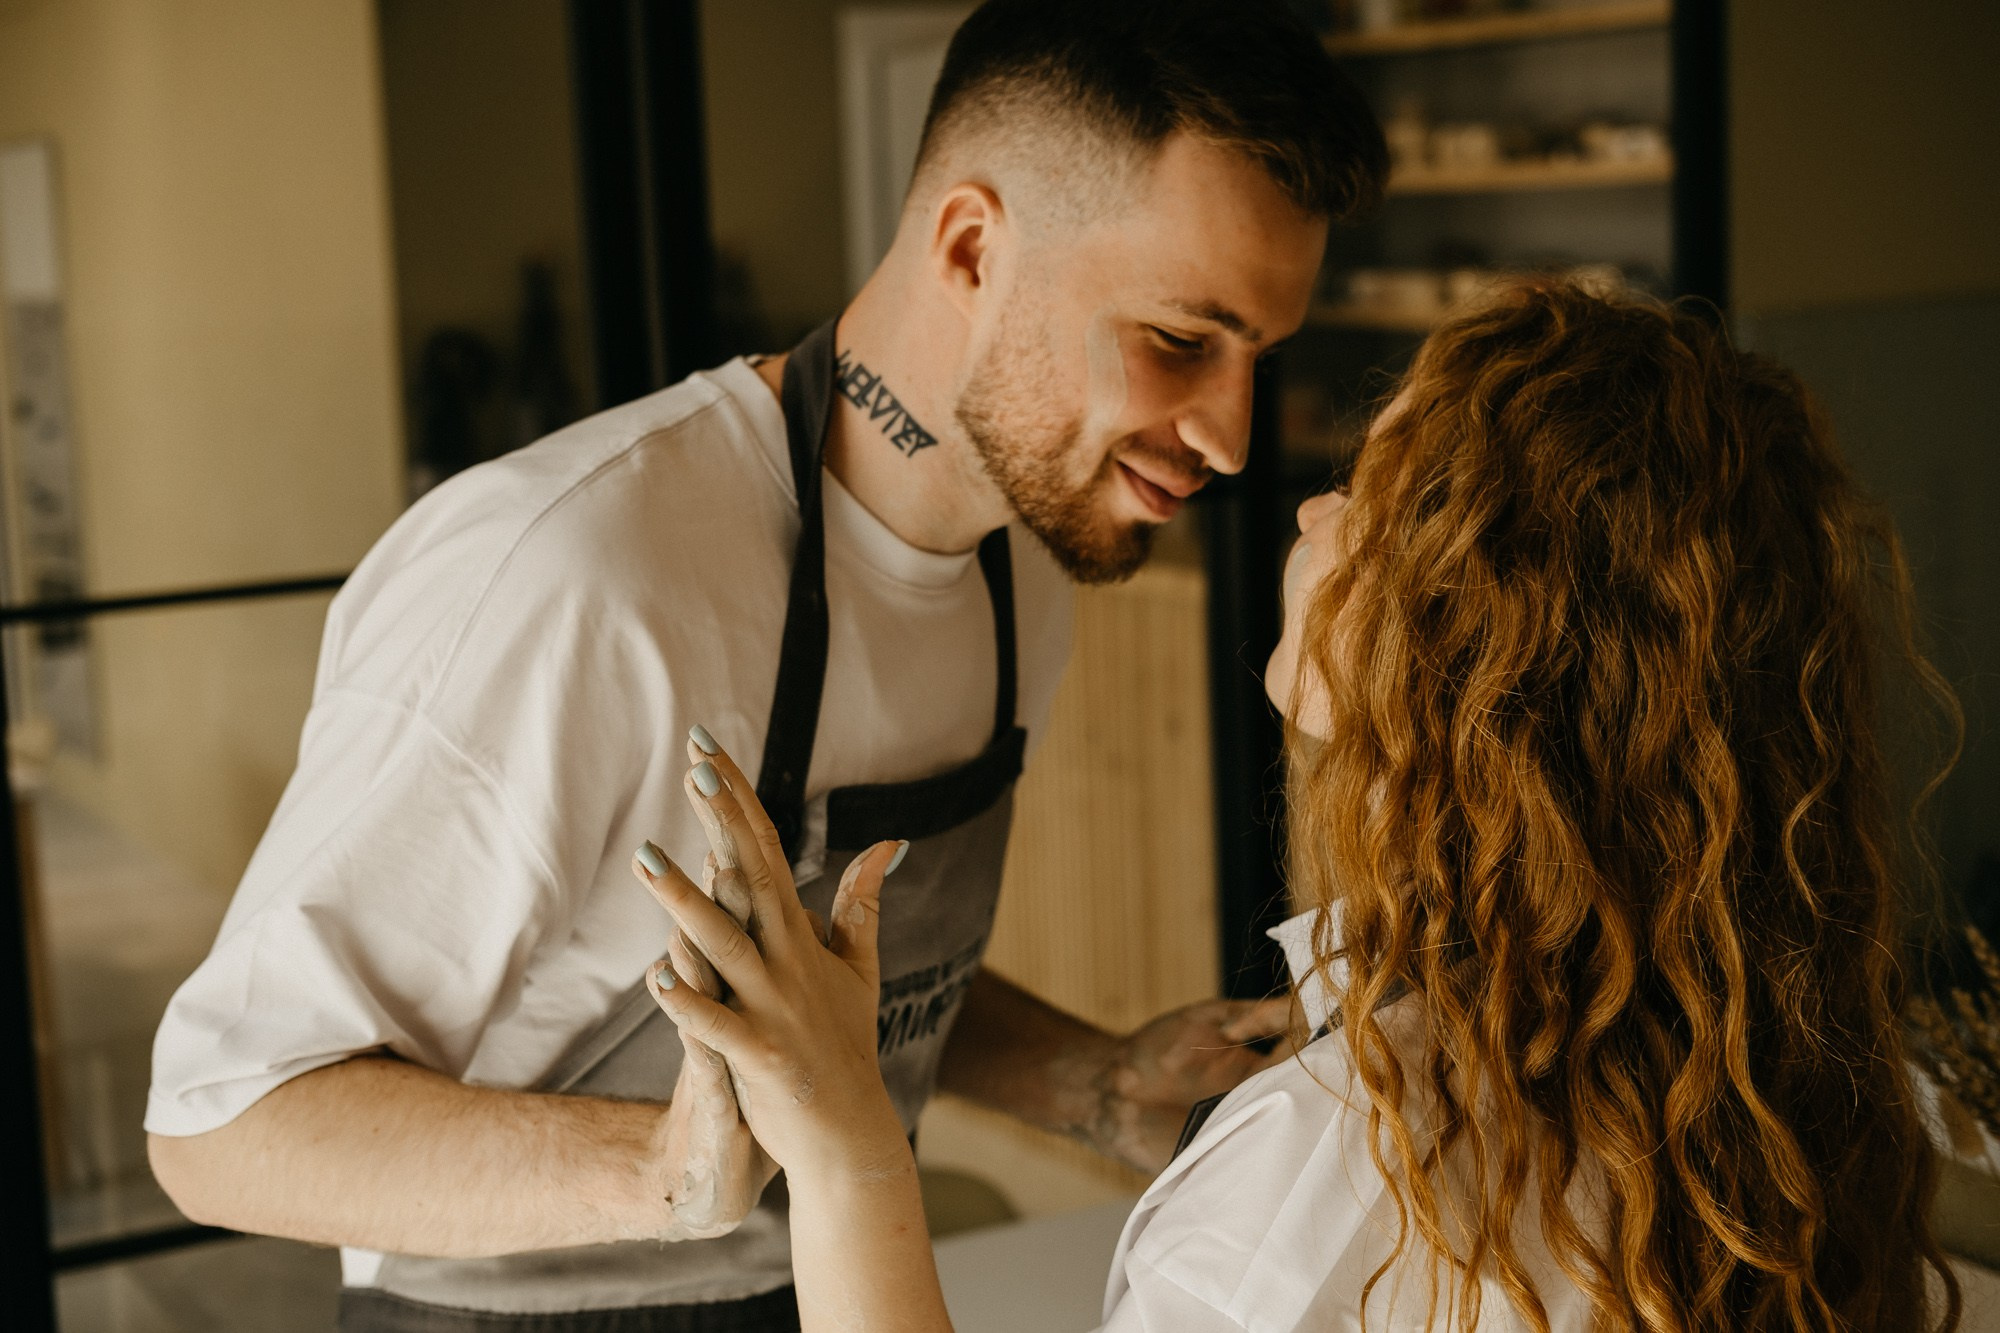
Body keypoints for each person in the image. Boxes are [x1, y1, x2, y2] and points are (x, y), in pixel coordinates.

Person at [143, 2, 1387, 1329]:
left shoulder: (1027, 569)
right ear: (971, 247)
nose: (1234, 435)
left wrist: (1085, 1079)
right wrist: (662, 1169)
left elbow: (839, 985)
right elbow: (222, 1121)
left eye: (1262, 355)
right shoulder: (574, 579)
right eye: (1180, 342)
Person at [641, 280, 1969, 1332]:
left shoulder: (1340, 1164)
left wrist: (850, 1157)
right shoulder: (1803, 1092)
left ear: (1476, 649)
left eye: (1375, 497)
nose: (1313, 507)